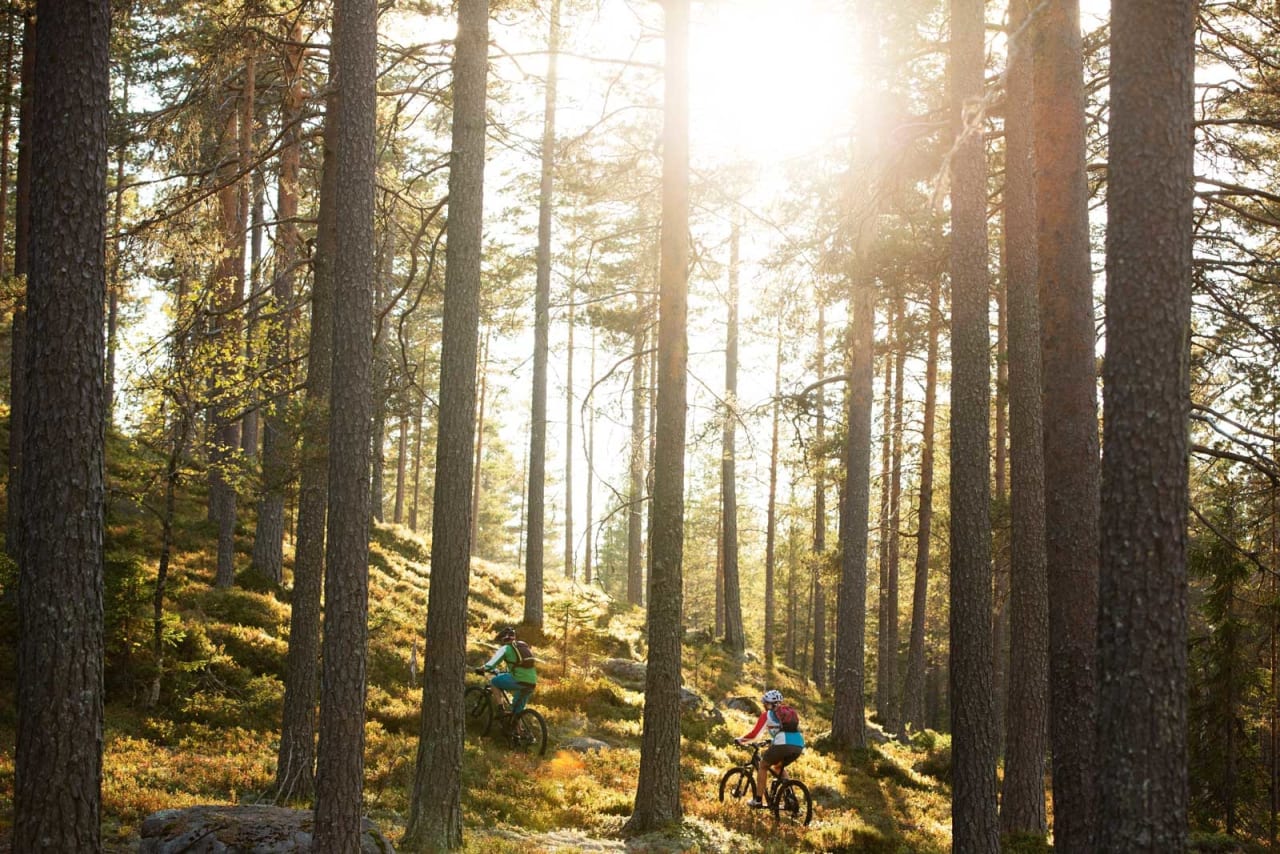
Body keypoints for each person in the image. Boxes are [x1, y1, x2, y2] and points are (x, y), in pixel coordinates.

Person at [735, 688, 804, 808]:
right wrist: (772, 741)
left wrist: (741, 740)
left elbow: (754, 735)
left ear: (768, 704)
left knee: (763, 765)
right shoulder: (785, 714)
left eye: (765, 703)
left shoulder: (767, 715)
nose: (764, 706)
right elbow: (785, 732)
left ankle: (757, 800)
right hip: (798, 744)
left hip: (783, 744)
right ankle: (790, 798)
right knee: (778, 767)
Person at [475, 625, 537, 716]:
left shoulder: (505, 648)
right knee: (516, 712)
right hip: (532, 681)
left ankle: (501, 709)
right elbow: (517, 665)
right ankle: (519, 730)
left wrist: (481, 669)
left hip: (518, 679)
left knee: (494, 682)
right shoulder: (522, 645)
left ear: (503, 639)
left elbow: (491, 664)